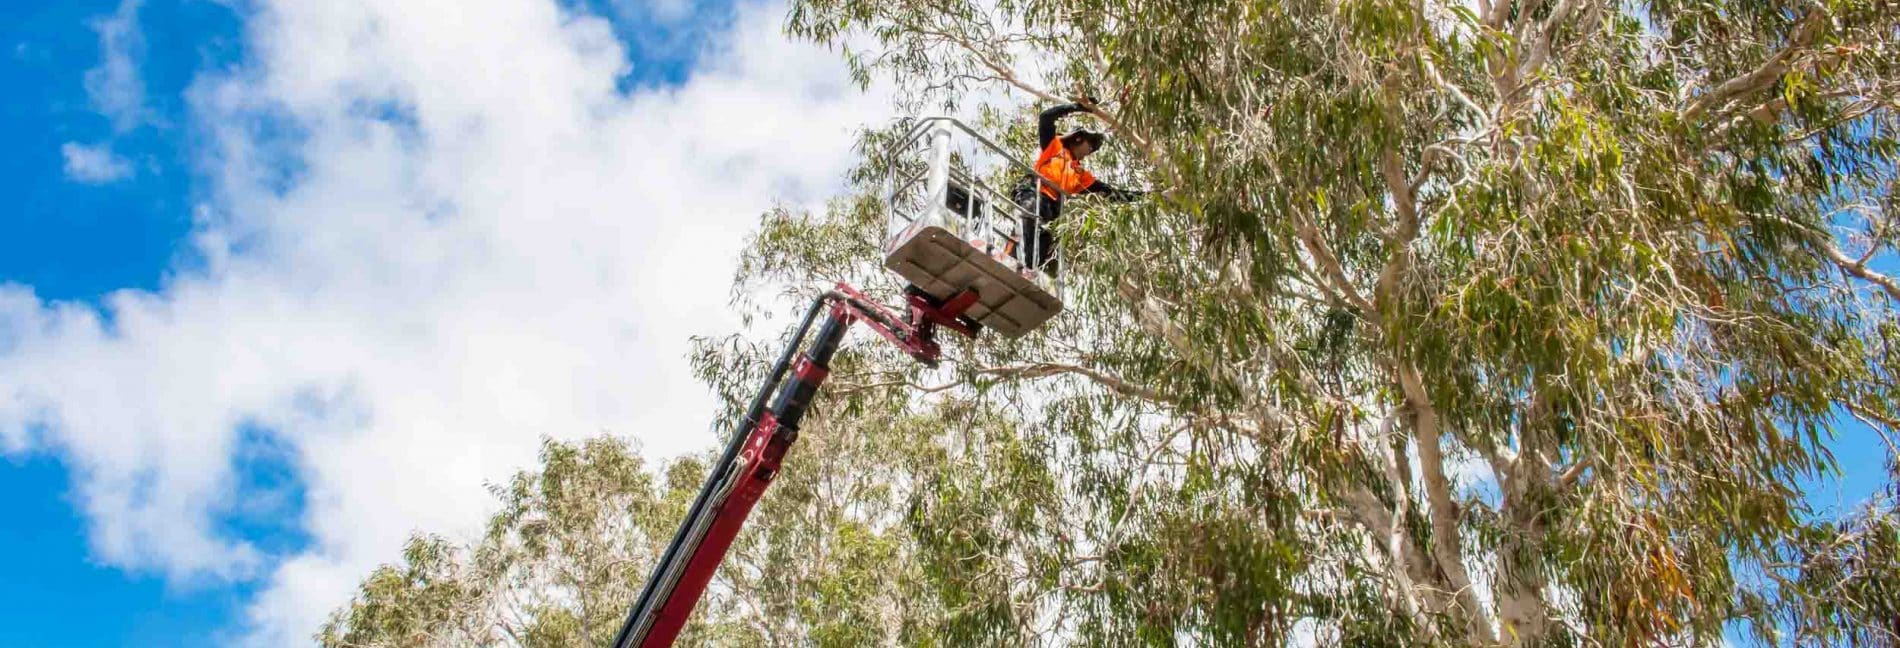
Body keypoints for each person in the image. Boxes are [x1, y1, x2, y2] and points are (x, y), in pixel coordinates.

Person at [1011, 100, 1144, 277]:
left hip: (1052, 210)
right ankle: (1010, 259)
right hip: (1034, 194)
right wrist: (1077, 107)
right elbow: (1046, 118)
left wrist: (1143, 197)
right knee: (1027, 226)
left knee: (1042, 245)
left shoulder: (1080, 174)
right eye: (1090, 145)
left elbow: (1108, 192)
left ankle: (1028, 273)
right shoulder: (1054, 146)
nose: (1091, 150)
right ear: (1078, 138)